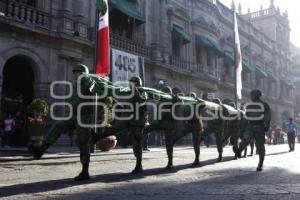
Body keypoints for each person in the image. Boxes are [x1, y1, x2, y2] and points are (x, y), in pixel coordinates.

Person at [30, 64, 95, 181]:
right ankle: (41, 149)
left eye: (77, 72)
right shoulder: (76, 85)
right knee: (59, 124)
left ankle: (85, 171)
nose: (75, 74)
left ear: (83, 73)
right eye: (74, 72)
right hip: (74, 115)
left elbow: (93, 93)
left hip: (85, 117)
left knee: (83, 143)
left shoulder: (88, 82)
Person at [101, 76, 148, 174]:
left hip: (138, 122)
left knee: (137, 143)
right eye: (129, 82)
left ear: (137, 83)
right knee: (116, 127)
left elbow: (142, 101)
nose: (129, 84)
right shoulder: (130, 93)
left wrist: (136, 93)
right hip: (129, 119)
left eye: (131, 82)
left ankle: (138, 165)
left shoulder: (142, 91)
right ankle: (98, 136)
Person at [234, 89, 271, 171]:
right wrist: (243, 127)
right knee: (245, 140)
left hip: (260, 127)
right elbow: (246, 116)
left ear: (257, 95)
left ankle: (260, 164)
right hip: (250, 126)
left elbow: (267, 116)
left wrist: (267, 125)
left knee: (260, 146)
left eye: (252, 95)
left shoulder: (264, 105)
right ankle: (239, 151)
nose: (250, 97)